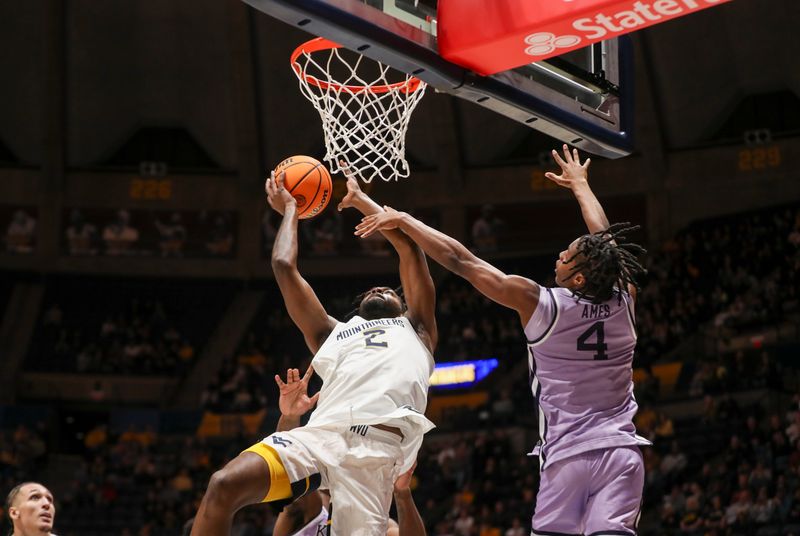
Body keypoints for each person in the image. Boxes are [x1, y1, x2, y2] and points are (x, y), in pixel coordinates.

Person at [356, 145, 650, 536]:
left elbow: (463, 262)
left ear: (579, 279)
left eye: (569, 255)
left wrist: (406, 220)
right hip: (621, 454)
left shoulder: (542, 303)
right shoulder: (624, 298)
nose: (560, 254)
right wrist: (580, 186)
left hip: (566, 459)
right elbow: (608, 242)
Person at [191, 168, 437, 536]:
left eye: (390, 290)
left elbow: (409, 248)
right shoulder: (332, 333)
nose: (379, 289)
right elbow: (283, 266)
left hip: (375, 452)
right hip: (320, 436)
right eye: (370, 291)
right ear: (357, 312)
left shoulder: (416, 329)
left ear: (403, 308)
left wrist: (362, 203)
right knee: (223, 484)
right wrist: (290, 209)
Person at [271, 367, 426, 536]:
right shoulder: (311, 504)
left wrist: (403, 493)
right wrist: (290, 416)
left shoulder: (373, 514)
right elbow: (289, 466)